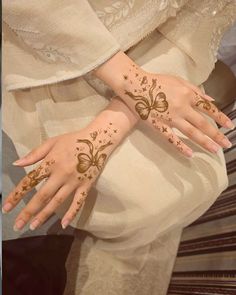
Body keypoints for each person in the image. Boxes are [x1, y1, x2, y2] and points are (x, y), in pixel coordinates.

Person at [2, 1, 236, 294]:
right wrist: (135, 87)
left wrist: (109, 126)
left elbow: (196, 28)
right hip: (51, 46)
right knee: (137, 193)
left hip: (148, 64)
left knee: (197, 178)